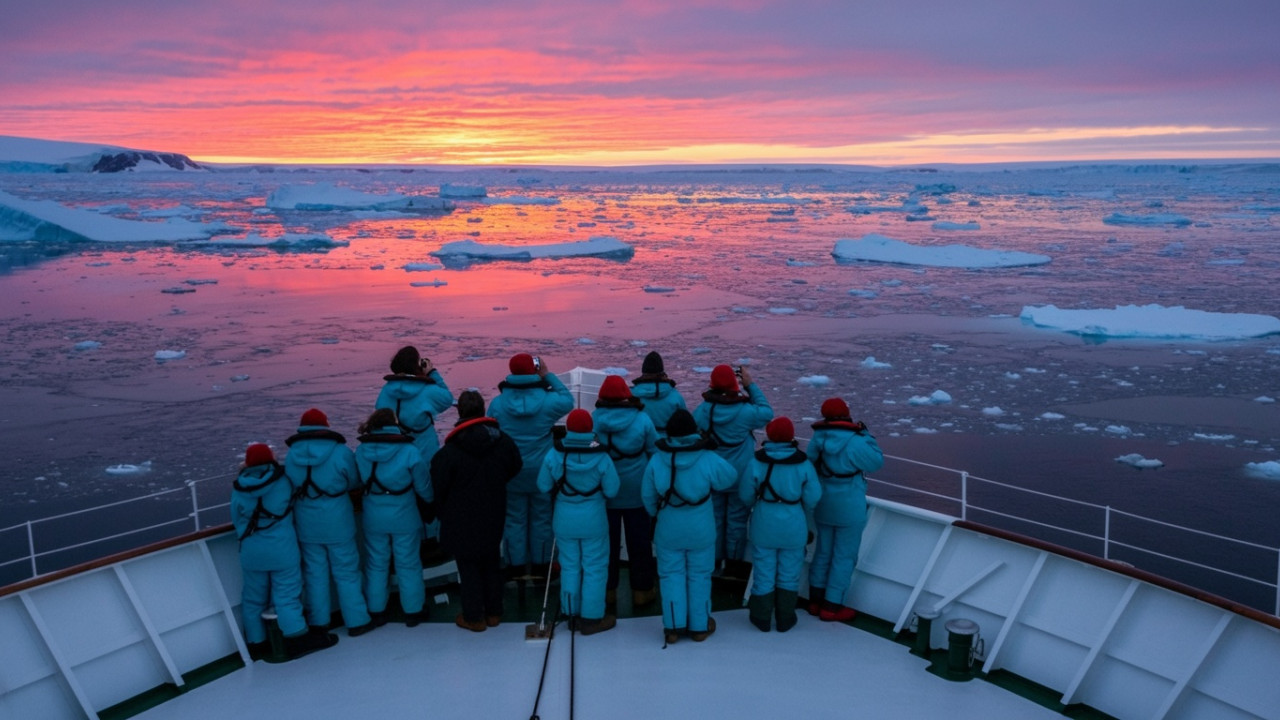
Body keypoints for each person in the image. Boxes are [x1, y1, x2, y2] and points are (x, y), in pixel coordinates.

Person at [232, 443, 336, 660]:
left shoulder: (239, 487)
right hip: (282, 549)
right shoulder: (283, 480)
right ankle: (296, 638)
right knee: (286, 595)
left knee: (252, 599)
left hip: (251, 552)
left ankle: (256, 643)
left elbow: (237, 517)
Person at [641, 410, 737, 644]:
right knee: (700, 576)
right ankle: (699, 626)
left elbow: (647, 496)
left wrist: (658, 514)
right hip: (700, 529)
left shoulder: (657, 459)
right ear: (693, 431)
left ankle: (673, 627)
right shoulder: (706, 457)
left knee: (670, 575)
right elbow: (730, 478)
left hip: (668, 528)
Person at [431, 391, 523, 632]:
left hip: (460, 515)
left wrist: (441, 509)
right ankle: (494, 613)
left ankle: (474, 617)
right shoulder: (502, 441)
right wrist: (496, 481)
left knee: (468, 564)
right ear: (483, 410)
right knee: (491, 559)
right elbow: (516, 465)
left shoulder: (449, 452)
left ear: (460, 412)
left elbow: (439, 485)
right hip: (493, 508)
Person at [284, 408, 374, 637]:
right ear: (326, 425)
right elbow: (354, 480)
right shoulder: (340, 452)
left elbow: (288, 487)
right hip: (337, 521)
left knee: (314, 574)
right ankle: (357, 621)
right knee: (347, 572)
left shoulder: (291, 456)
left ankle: (319, 623)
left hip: (306, 523)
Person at [487, 353, 574, 579]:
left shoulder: (498, 404)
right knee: (542, 516)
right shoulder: (549, 402)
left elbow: (491, 434)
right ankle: (541, 564)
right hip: (541, 470)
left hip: (512, 471)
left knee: (514, 518)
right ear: (533, 370)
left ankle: (516, 565)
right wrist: (547, 375)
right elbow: (567, 399)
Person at [537, 409, 620, 634]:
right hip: (594, 519)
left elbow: (543, 486)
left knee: (570, 565)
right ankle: (592, 618)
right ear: (590, 429)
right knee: (594, 567)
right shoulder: (602, 457)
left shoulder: (555, 455)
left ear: (568, 429)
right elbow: (612, 490)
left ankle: (570, 612)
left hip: (564, 519)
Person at [739, 417, 821, 632]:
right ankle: (785, 618)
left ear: (769, 435)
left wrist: (756, 505)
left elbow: (746, 494)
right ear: (791, 436)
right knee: (789, 572)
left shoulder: (757, 461)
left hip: (764, 520)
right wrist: (802, 510)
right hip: (793, 522)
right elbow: (813, 496)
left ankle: (761, 617)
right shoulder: (803, 463)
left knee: (764, 570)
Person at [806, 398, 884, 622]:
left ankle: (814, 601)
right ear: (846, 414)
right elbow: (876, 462)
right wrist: (866, 434)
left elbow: (810, 465)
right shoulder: (856, 441)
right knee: (844, 557)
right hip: (849, 507)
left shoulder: (818, 438)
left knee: (823, 552)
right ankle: (831, 606)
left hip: (823, 504)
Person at [692, 363, 773, 577]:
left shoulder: (704, 411)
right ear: (734, 384)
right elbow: (767, 413)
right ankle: (735, 565)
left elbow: (693, 429)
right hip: (740, 476)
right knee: (737, 520)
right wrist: (751, 385)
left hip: (715, 474)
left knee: (715, 518)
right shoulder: (746, 412)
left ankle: (715, 563)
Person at [356, 408, 432, 625]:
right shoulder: (409, 451)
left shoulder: (361, 451)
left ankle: (376, 610)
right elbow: (423, 486)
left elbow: (356, 479)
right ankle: (413, 610)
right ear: (394, 424)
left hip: (373, 517)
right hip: (404, 516)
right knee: (408, 563)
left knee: (376, 563)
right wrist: (430, 501)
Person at [592, 375, 659, 608]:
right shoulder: (642, 419)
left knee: (606, 546)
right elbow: (654, 452)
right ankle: (642, 591)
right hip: (637, 491)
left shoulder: (595, 419)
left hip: (606, 493)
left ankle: (608, 592)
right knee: (640, 544)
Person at [376, 345, 455, 465]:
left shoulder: (386, 390)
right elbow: (447, 399)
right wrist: (432, 373)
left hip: (393, 455)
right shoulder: (426, 390)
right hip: (423, 454)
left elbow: (378, 411)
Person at [630, 351, 686, 439]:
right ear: (661, 371)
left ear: (644, 370)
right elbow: (685, 422)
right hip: (669, 446)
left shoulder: (631, 395)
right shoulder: (676, 396)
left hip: (640, 443)